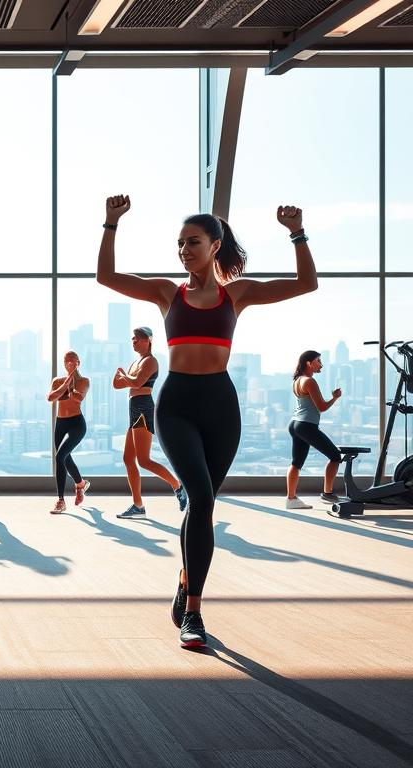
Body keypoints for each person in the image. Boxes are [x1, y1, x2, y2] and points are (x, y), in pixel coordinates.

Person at [97, 194, 317, 648]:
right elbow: (106, 277)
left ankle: (184, 580)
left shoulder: (237, 294)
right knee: (197, 496)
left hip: (220, 405)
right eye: (179, 244)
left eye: (192, 242)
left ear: (215, 245)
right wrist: (111, 224)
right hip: (176, 403)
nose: (184, 251)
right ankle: (193, 613)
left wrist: (296, 233)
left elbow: (306, 284)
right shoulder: (165, 292)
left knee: (204, 505)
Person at [112, 327, 187, 519]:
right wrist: (122, 376)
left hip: (144, 408)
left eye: (137, 339)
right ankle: (138, 506)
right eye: (133, 339)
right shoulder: (136, 362)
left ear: (148, 341)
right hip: (134, 408)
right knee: (128, 459)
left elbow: (136, 383)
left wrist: (125, 376)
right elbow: (117, 384)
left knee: (143, 460)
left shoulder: (151, 361)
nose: (134, 341)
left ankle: (177, 485)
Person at [286, 350, 343, 509]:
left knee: (296, 463)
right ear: (308, 363)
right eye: (318, 361)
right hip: (306, 426)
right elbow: (322, 407)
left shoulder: (297, 380)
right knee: (335, 456)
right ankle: (327, 493)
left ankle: (291, 499)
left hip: (295, 424)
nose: (321, 365)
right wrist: (335, 398)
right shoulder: (309, 382)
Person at [47, 350, 90, 513]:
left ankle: (60, 500)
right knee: (64, 458)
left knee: (60, 456)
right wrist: (65, 384)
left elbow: (78, 398)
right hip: (60, 423)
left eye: (73, 360)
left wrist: (71, 385)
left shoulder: (84, 381)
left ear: (78, 362)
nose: (69, 363)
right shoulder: (57, 380)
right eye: (66, 361)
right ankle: (80, 484)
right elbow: (50, 398)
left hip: (77, 423)